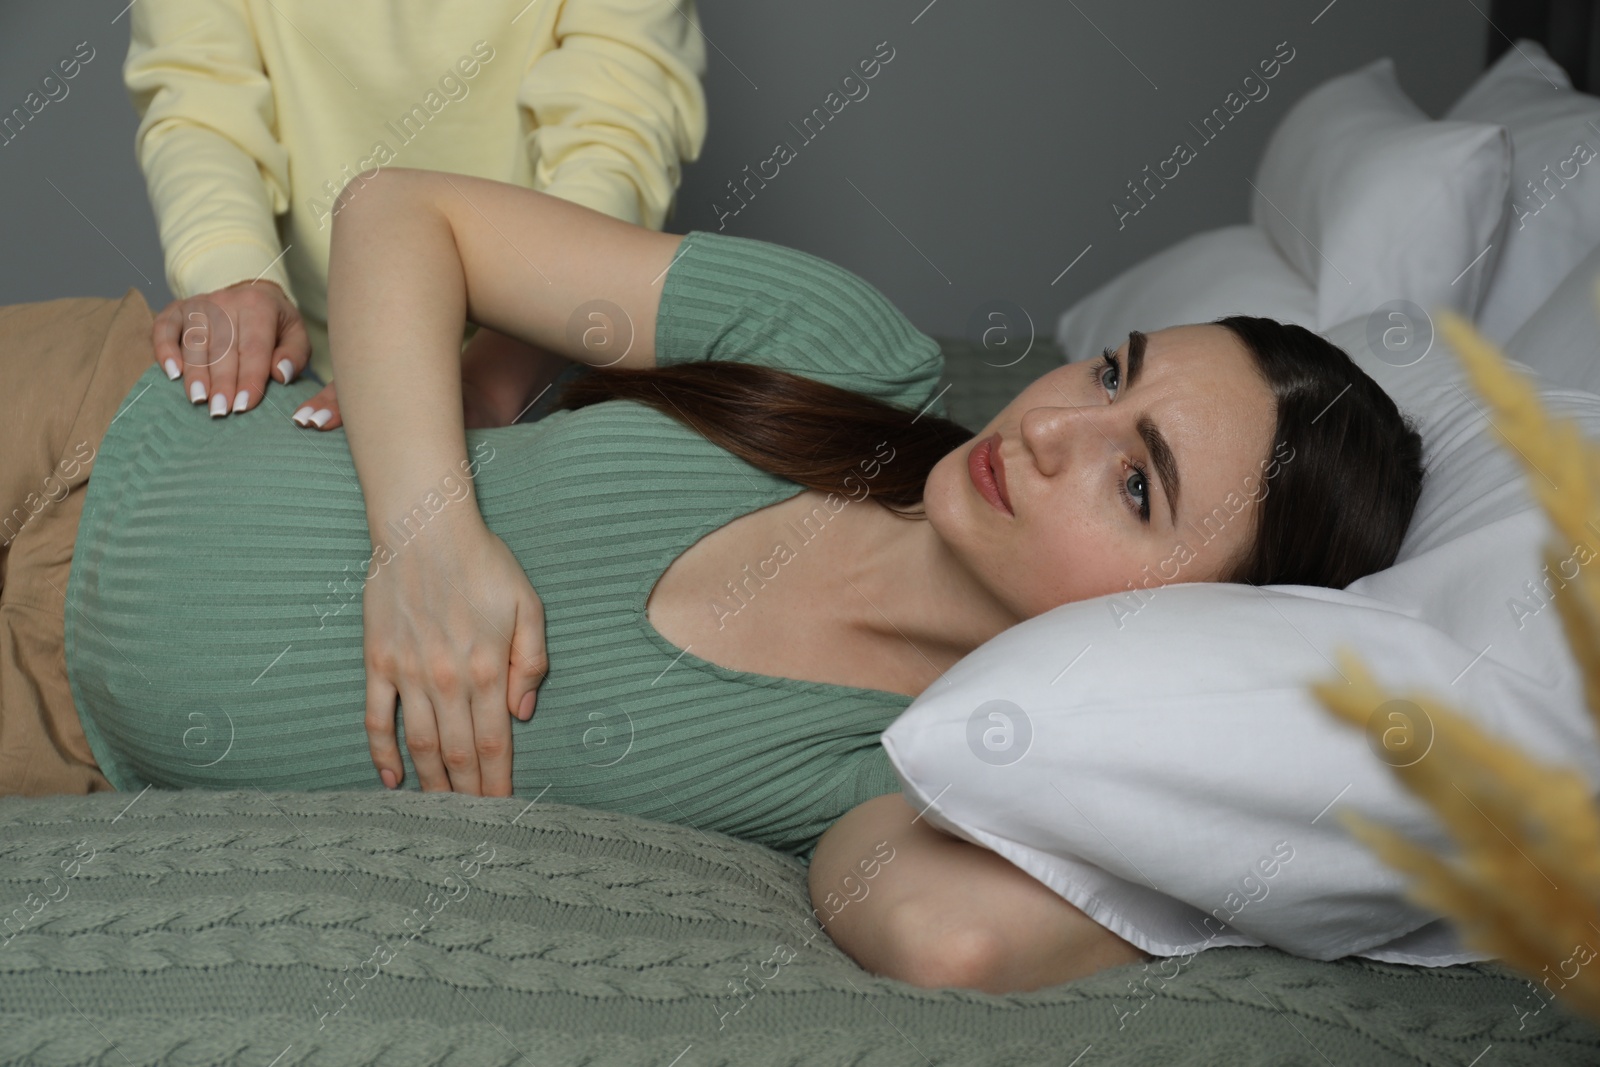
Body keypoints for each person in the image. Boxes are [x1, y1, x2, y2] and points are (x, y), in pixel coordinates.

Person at [0, 168, 1424, 994]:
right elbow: (396, 213)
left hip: (63, 737)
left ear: (1184, 626)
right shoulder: (848, 356)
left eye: (1137, 482)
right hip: (110, 412)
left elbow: (949, 942)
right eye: (1112, 371)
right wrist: (428, 536)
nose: (1051, 426)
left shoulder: (899, 772)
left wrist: (1304, 819)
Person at [123, 0, 708, 429]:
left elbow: (616, 139)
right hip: (301, 366)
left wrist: (489, 380)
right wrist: (237, 277)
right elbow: (200, 104)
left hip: (549, 361)